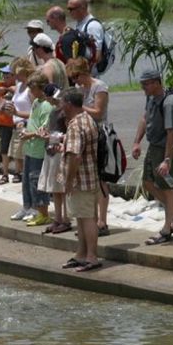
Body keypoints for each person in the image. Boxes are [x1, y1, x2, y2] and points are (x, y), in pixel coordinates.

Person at [131, 67, 173, 245]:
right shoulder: (151, 98)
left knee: (167, 188)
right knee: (148, 183)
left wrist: (167, 160)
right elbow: (144, 117)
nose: (143, 88)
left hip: (165, 149)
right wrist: (136, 141)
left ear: (156, 82)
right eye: (142, 84)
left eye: (146, 84)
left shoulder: (170, 102)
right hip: (153, 147)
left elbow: (172, 132)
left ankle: (167, 228)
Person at [66, 57, 111, 235]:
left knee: (100, 178)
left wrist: (79, 106)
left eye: (77, 76)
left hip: (99, 133)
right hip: (84, 132)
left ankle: (102, 220)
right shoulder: (79, 88)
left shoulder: (99, 86)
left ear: (85, 72)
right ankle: (89, 220)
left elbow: (99, 113)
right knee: (87, 177)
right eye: (73, 78)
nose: (76, 81)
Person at [60, 88, 101, 272]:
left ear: (68, 104)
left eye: (62, 102)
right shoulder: (87, 118)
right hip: (91, 176)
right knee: (82, 217)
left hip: (81, 180)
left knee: (87, 218)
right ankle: (81, 254)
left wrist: (69, 181)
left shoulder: (75, 125)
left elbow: (75, 156)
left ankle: (91, 257)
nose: (60, 106)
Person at [19, 72, 53, 227]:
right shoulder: (36, 103)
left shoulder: (46, 105)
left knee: (36, 181)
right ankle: (32, 209)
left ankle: (43, 213)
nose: (31, 92)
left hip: (39, 151)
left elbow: (44, 129)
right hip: (29, 149)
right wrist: (23, 127)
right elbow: (32, 121)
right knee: (27, 181)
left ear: (41, 88)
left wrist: (29, 135)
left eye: (33, 89)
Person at [36, 84, 70, 234]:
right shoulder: (54, 112)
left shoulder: (65, 113)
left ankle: (66, 219)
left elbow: (68, 133)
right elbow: (52, 129)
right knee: (55, 189)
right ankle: (58, 218)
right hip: (51, 151)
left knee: (62, 188)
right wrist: (46, 133)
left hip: (60, 151)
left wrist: (53, 137)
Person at [7, 59, 35, 214]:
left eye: (18, 74)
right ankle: (26, 204)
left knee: (27, 168)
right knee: (19, 167)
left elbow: (34, 112)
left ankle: (32, 204)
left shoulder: (30, 89)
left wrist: (18, 115)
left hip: (26, 127)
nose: (16, 77)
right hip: (16, 127)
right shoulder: (18, 87)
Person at [66, 0, 105, 74]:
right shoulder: (80, 23)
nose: (69, 12)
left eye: (71, 9)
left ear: (82, 8)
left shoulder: (92, 26)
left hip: (89, 75)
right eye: (68, 9)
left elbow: (97, 56)